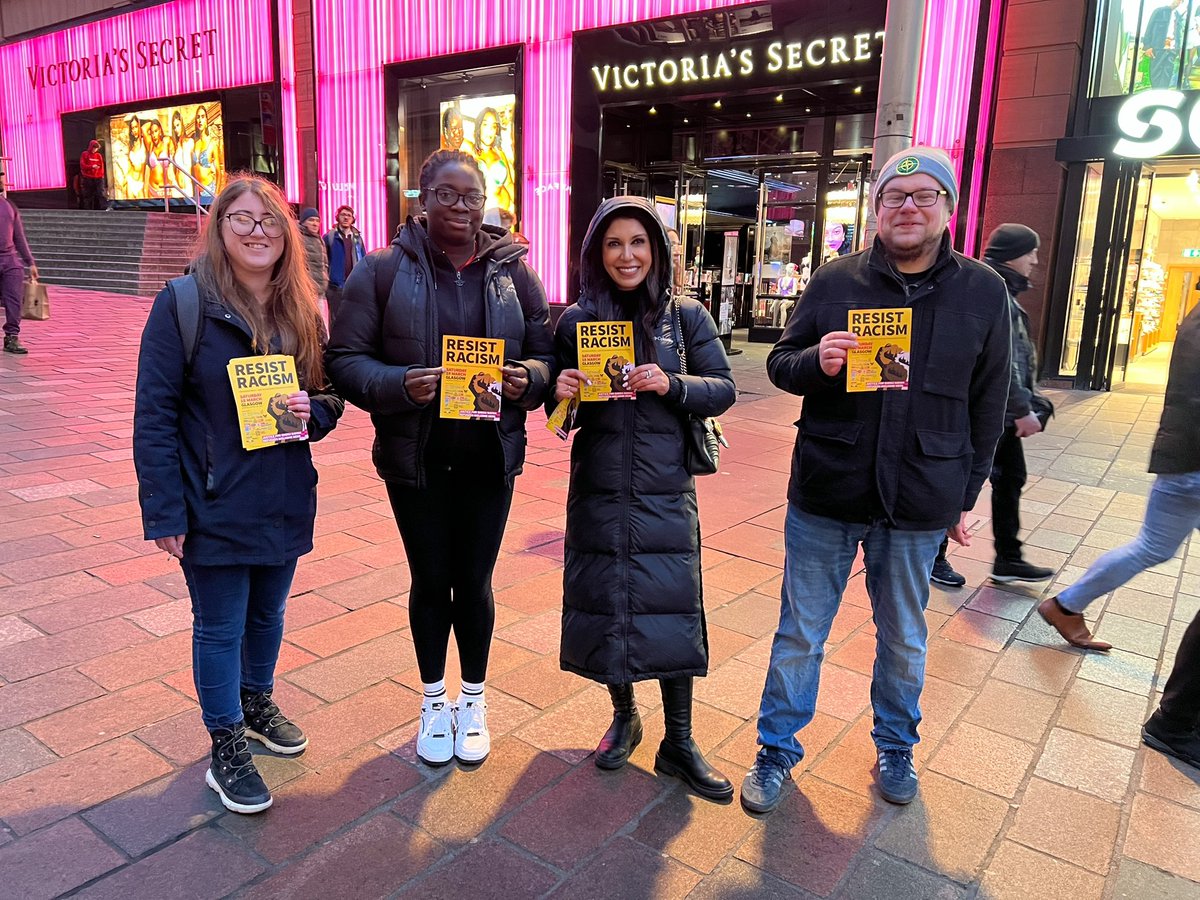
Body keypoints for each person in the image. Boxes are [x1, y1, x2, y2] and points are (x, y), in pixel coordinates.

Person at [740, 147, 1011, 814]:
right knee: (802, 631)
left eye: (924, 195)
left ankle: (896, 745)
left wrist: (963, 495)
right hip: (829, 489)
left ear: (949, 208)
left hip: (920, 495)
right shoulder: (836, 281)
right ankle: (776, 749)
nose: (909, 207)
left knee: (904, 635)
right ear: (877, 208)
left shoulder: (982, 290)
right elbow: (779, 363)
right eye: (895, 196)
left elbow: (989, 401)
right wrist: (815, 361)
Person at [326, 149, 553, 768]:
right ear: (421, 201)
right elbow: (343, 359)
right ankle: (433, 700)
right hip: (417, 460)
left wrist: (525, 379)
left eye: (471, 195)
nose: (459, 206)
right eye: (446, 195)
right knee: (430, 581)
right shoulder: (380, 271)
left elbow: (548, 355)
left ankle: (473, 701)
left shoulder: (514, 273)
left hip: (489, 457)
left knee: (475, 583)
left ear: (485, 201)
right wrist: (400, 384)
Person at [133, 174, 344, 814]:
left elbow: (330, 397)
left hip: (282, 494)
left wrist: (314, 413)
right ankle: (225, 742)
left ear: (287, 234)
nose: (258, 232)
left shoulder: (302, 311)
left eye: (270, 221)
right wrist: (164, 509)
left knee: (268, 616)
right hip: (213, 500)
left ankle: (255, 700)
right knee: (220, 625)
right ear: (220, 228)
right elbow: (155, 414)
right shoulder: (183, 303)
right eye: (243, 219)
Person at [552, 197, 737, 802]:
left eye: (637, 242)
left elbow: (723, 390)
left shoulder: (685, 316)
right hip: (600, 487)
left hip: (664, 488)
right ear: (596, 254)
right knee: (609, 604)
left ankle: (679, 741)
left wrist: (671, 382)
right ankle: (625, 716)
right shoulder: (577, 321)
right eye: (613, 244)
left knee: (672, 605)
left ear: (655, 247)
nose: (626, 255)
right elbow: (558, 418)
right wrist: (566, 390)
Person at [1039, 300, 1200, 657]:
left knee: (1151, 547)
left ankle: (1066, 606)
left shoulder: (1193, 316)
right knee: (1151, 547)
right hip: (1191, 462)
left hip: (1181, 458)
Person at [0, 173, 38, 355]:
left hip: (10, 261)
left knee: (14, 300)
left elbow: (19, 237)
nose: (1, 181)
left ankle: (12, 337)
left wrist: (30, 262)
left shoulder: (8, 206)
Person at [322, 205, 365, 321]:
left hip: (353, 285)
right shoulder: (329, 237)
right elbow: (322, 260)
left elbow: (364, 260)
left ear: (353, 219)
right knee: (335, 320)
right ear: (338, 217)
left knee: (352, 318)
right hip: (335, 287)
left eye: (349, 215)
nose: (346, 218)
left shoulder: (357, 239)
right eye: (343, 215)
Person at [472, 107, 515, 215]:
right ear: (479, 127)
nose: (490, 131)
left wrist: (520, 207)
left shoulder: (500, 153)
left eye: (494, 126)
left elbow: (509, 184)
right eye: (485, 125)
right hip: (482, 218)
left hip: (504, 215)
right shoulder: (470, 153)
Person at [298, 207, 329, 298]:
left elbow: (324, 265)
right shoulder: (299, 238)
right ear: (303, 222)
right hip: (305, 292)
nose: (315, 224)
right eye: (311, 220)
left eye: (317, 221)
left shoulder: (320, 239)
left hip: (320, 291)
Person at [79, 140, 107, 210]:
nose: (95, 150)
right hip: (88, 177)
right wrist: (91, 167)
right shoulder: (85, 154)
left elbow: (101, 167)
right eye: (94, 148)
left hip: (98, 177)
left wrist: (101, 175)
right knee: (88, 195)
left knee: (101, 193)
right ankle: (88, 209)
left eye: (96, 148)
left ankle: (103, 208)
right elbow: (83, 165)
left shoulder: (98, 155)